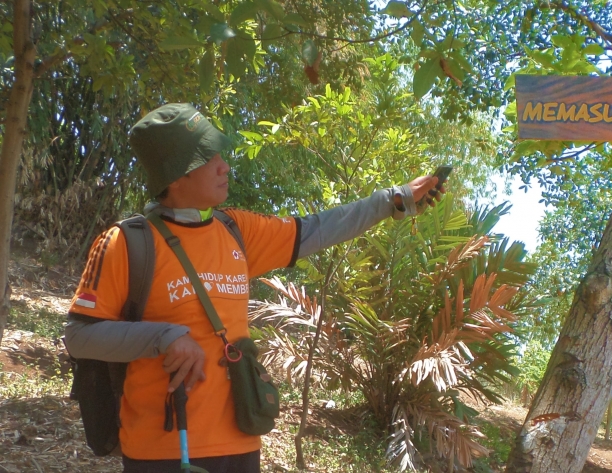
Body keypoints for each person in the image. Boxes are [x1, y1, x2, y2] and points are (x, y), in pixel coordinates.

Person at [64, 103, 442, 473]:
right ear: (176, 175)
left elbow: (318, 228)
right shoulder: (126, 244)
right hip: (160, 451)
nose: (224, 165)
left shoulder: (237, 230)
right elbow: (80, 337)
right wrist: (162, 336)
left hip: (241, 442)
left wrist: (393, 200)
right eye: (208, 157)